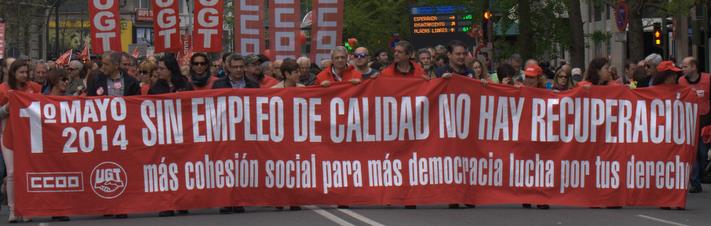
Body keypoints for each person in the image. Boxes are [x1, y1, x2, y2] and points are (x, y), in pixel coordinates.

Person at [0, 61, 41, 223]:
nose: (25, 75)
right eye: (21, 72)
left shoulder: (34, 88)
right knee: (11, 173)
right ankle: (13, 209)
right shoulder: (3, 89)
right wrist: (6, 108)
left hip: (29, 136)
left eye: (26, 72)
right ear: (13, 73)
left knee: (26, 172)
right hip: (8, 136)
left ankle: (26, 208)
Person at [679, 57, 710, 193]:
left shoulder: (708, 80)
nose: (683, 69)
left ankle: (701, 173)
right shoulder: (680, 82)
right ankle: (695, 181)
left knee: (703, 153)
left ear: (694, 67)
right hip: (688, 121)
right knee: (692, 153)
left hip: (705, 121)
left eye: (685, 66)